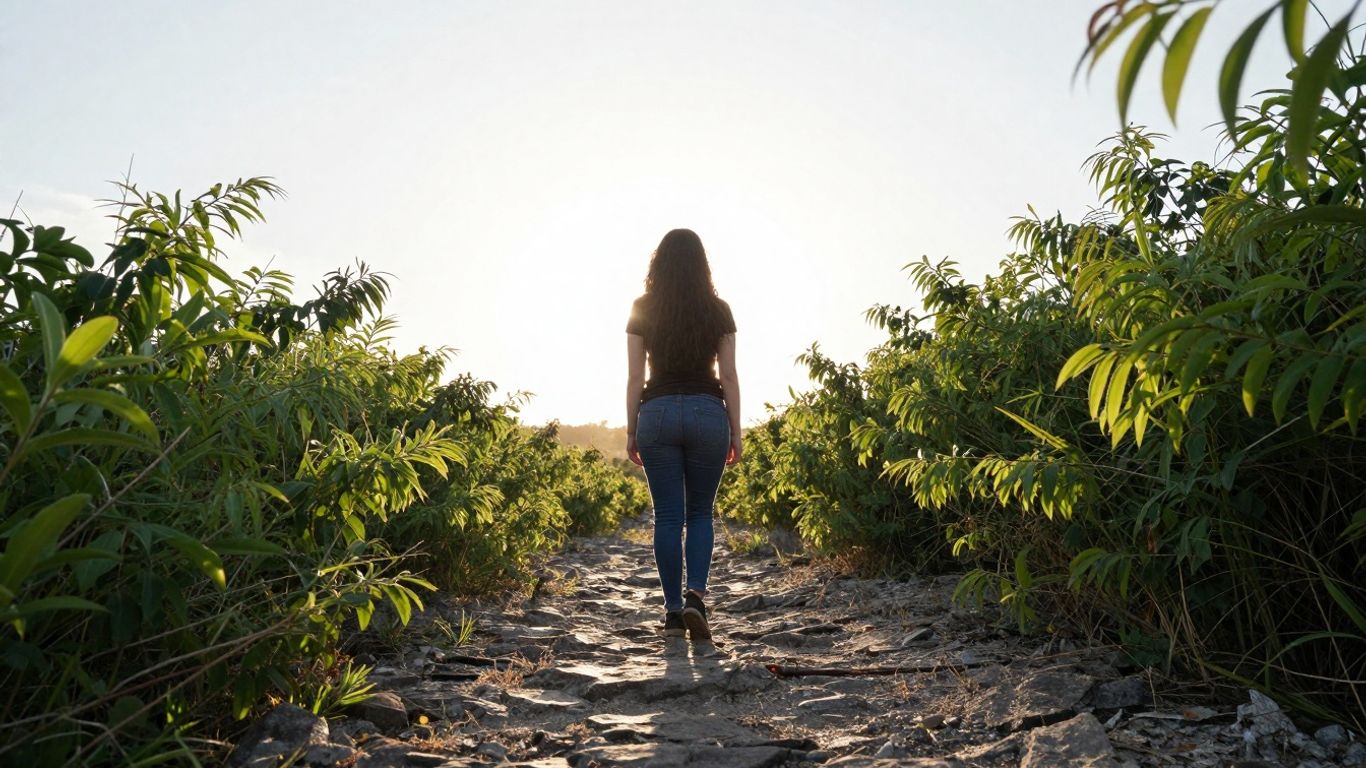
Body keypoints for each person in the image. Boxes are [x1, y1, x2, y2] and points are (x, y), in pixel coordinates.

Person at [625, 228, 741, 642]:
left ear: (660, 263)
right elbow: (727, 375)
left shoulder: (643, 307)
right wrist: (737, 432)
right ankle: (696, 597)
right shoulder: (718, 309)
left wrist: (631, 429)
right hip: (708, 412)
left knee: (669, 517)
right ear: (702, 264)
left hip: (655, 413)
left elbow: (636, 376)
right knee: (699, 513)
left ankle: (673, 614)